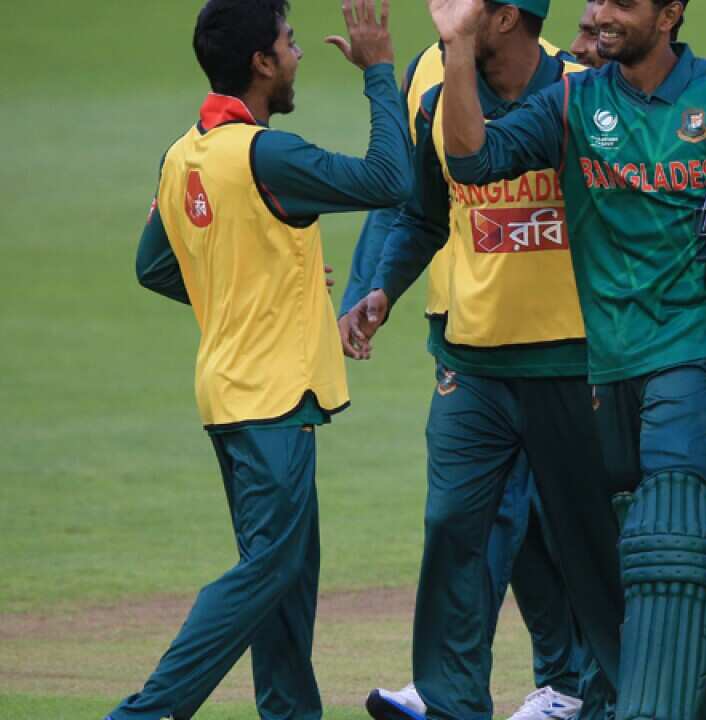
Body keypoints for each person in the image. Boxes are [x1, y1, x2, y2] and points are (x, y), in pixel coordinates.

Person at [426, 0, 706, 718]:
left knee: (668, 538)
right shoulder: (573, 101)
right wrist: (458, 48)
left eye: (623, 2)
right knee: (655, 559)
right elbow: (475, 159)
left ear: (670, 13)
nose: (601, 12)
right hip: (605, 373)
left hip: (695, 357)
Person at [108, 1, 411, 719]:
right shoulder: (268, 154)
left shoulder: (183, 153)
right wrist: (379, 73)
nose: (301, 54)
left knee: (289, 574)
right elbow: (390, 180)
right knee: (270, 567)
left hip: (233, 391)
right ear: (262, 63)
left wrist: (260, 279)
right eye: (291, 41)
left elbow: (156, 266)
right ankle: (145, 714)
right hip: (270, 395)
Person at [338, 2, 613, 719]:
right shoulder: (438, 101)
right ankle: (450, 699)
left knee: (589, 544)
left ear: (502, 19)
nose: (442, 12)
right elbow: (424, 217)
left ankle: (613, 690)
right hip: (474, 363)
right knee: (457, 528)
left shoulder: (587, 92)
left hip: (573, 361)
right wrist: (383, 290)